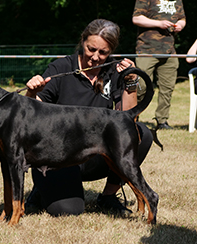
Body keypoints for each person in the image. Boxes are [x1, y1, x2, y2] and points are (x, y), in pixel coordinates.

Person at [25, 19, 153, 217]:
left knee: (140, 134)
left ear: (111, 52)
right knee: (68, 211)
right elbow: (31, 115)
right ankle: (41, 190)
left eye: (103, 53)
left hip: (95, 153)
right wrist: (32, 93)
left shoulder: (115, 71)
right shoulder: (60, 68)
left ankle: (109, 197)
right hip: (58, 156)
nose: (95, 57)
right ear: (82, 41)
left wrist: (131, 83)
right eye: (91, 49)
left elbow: (128, 120)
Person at [132, 0, 186, 129]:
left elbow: (182, 18)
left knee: (167, 88)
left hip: (169, 51)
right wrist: (159, 24)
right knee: (141, 86)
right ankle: (134, 117)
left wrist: (180, 25)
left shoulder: (177, 0)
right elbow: (136, 18)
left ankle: (162, 121)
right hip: (147, 50)